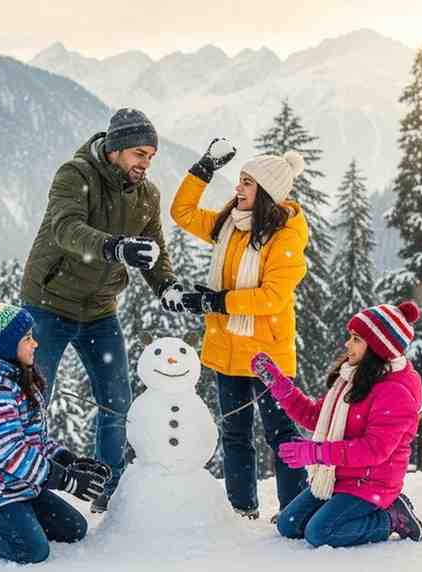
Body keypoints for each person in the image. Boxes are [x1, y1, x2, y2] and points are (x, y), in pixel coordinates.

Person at [20, 108, 183, 513]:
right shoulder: (74, 176)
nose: (145, 164)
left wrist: (168, 288)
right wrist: (114, 246)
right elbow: (66, 229)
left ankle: (106, 492)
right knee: (33, 399)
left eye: (151, 156)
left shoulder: (147, 195)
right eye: (139, 154)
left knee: (116, 401)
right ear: (115, 148)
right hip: (48, 304)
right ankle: (25, 487)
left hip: (99, 310)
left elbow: (153, 248)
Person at [169, 139, 310, 520]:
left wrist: (219, 301)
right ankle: (241, 509)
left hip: (268, 355)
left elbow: (271, 298)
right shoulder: (230, 225)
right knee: (234, 436)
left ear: (265, 192)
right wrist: (203, 169)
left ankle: (295, 511)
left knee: (280, 434)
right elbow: (181, 212)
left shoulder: (286, 238)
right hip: (227, 350)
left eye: (247, 182)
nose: (238, 188)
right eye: (241, 179)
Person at [0, 297, 111, 564]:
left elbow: (29, 437)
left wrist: (68, 460)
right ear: (5, 345)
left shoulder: (12, 375)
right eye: (27, 338)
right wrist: (66, 480)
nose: (35, 343)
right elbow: (12, 455)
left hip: (16, 483)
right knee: (32, 551)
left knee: (74, 529)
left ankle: (18, 512)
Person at [251, 301, 422, 548]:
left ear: (377, 347)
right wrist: (281, 387)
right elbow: (314, 415)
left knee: (320, 533)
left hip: (371, 482)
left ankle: (391, 517)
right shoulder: (353, 377)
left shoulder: (395, 391)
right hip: (337, 477)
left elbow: (374, 450)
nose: (347, 344)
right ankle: (335, 512)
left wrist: (316, 453)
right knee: (288, 525)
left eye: (356, 339)